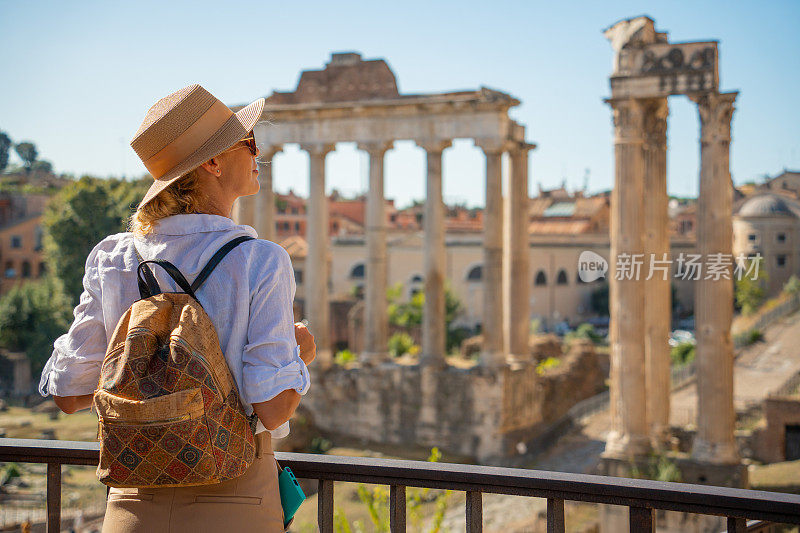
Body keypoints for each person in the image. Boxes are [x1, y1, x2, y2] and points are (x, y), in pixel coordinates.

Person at [38, 84, 314, 532]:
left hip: (132, 505)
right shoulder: (259, 260)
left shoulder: (112, 258)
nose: (258, 153)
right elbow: (273, 408)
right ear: (213, 162)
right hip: (236, 498)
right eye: (249, 143)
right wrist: (301, 352)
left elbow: (68, 394)